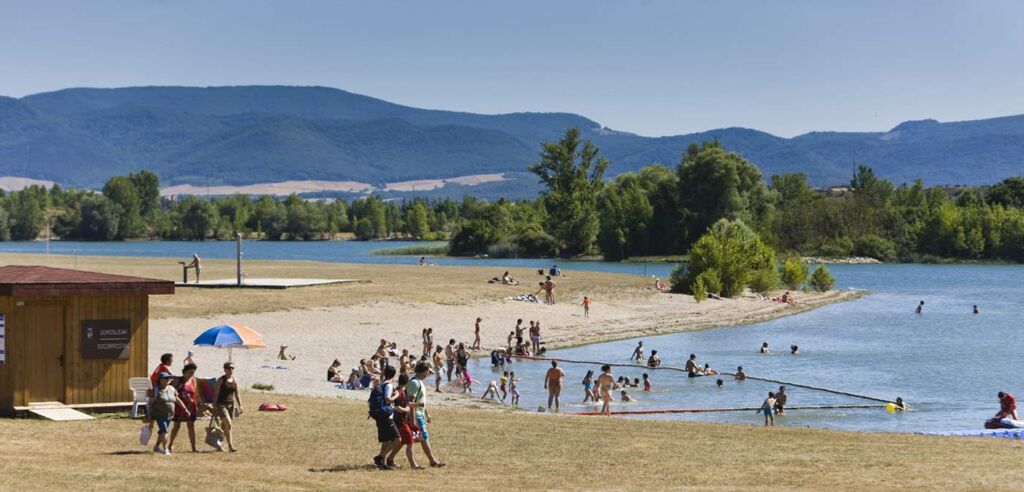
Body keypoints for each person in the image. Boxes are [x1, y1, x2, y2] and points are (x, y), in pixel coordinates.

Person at [406, 363, 446, 468]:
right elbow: (411, 401)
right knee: (424, 437)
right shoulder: (415, 383)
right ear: (424, 372)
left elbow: (421, 401)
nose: (428, 373)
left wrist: (427, 413)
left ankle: (387, 457)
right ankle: (433, 461)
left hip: (420, 413)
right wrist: (412, 417)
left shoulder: (419, 382)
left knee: (406, 440)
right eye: (428, 371)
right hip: (416, 415)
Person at [148, 372, 190, 455]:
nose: (168, 380)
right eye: (166, 378)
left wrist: (185, 409)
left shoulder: (172, 388)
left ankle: (156, 447)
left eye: (169, 378)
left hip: (170, 415)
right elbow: (150, 403)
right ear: (160, 380)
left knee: (162, 432)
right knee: (164, 431)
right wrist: (149, 416)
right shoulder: (156, 390)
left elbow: (177, 399)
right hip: (159, 414)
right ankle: (165, 449)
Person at [389, 374, 423, 469]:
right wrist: (406, 410)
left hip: (401, 420)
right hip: (400, 421)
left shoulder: (400, 392)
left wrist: (417, 405)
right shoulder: (399, 393)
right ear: (407, 383)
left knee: (403, 441)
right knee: (410, 441)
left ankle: (390, 459)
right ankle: (413, 465)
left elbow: (407, 404)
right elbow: (396, 407)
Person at [370, 366, 400, 470]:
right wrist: (396, 395)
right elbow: (387, 400)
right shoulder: (388, 385)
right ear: (394, 375)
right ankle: (380, 457)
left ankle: (382, 463)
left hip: (379, 414)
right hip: (386, 415)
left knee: (386, 440)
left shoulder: (381, 384)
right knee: (398, 439)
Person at [168, 363, 200, 453]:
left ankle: (193, 448)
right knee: (176, 426)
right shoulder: (178, 380)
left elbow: (195, 394)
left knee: (191, 426)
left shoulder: (193, 380)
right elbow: (170, 391)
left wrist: (196, 405)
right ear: (185, 372)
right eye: (190, 372)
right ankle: (170, 444)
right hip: (179, 406)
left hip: (191, 406)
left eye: (193, 373)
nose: (192, 374)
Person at [212, 362, 242, 453]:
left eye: (232, 368)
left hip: (231, 405)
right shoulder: (221, 380)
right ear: (225, 369)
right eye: (229, 368)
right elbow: (216, 393)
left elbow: (237, 394)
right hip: (221, 405)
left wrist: (240, 405)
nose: (231, 370)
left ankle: (219, 445)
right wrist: (214, 405)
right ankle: (230, 446)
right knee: (229, 424)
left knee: (225, 426)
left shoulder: (235, 380)